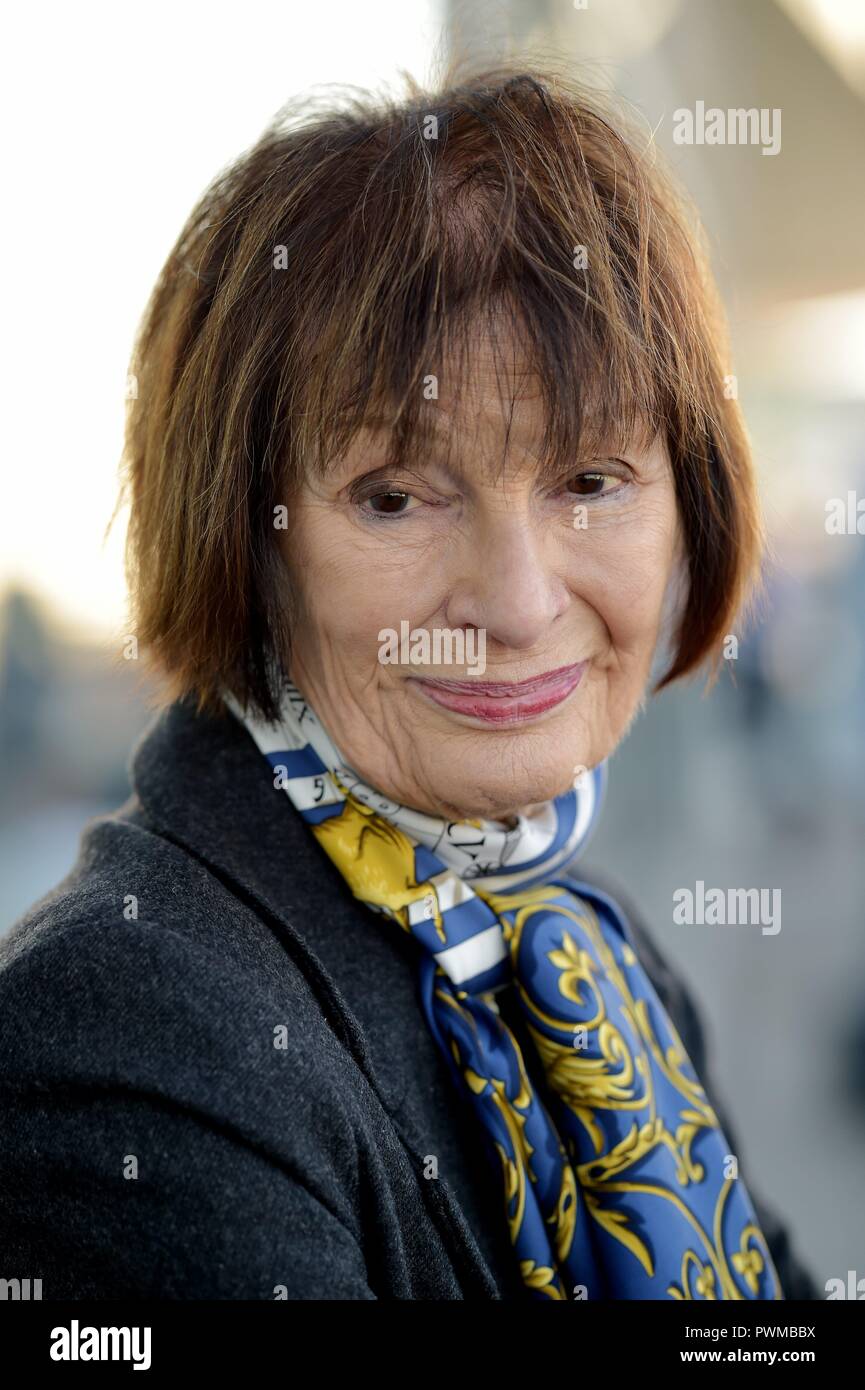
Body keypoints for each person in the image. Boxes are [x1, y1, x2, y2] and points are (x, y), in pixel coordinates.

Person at [0, 67, 817, 1300]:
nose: (520, 600)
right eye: (395, 498)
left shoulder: (583, 954)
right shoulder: (127, 1032)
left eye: (590, 480)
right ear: (248, 539)